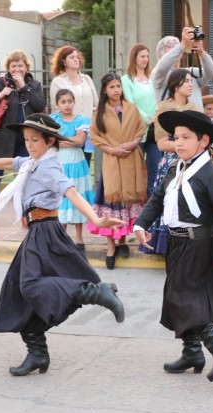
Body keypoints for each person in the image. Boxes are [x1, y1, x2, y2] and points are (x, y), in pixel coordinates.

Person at [0, 114, 126, 376]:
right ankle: (37, 353)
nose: (29, 144)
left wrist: (95, 220)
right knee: (19, 291)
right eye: (26, 139)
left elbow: (71, 192)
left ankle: (96, 292)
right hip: (37, 231)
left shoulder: (48, 167)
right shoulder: (33, 163)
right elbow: (11, 161)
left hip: (45, 231)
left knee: (30, 284)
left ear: (50, 141)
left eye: (35, 139)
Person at [134, 110, 213, 382]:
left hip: (202, 245)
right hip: (177, 243)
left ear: (203, 141)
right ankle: (192, 352)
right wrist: (140, 225)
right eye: (176, 137)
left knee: (187, 300)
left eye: (186, 138)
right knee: (175, 298)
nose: (179, 143)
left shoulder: (210, 174)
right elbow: (157, 199)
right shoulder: (176, 169)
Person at [0, 49, 45, 230]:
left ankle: (25, 214)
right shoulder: (1, 83)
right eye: (13, 66)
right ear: (8, 68)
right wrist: (0, 95)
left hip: (27, 139)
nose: (17, 69)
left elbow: (40, 105)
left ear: (26, 67)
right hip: (2, 139)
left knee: (25, 179)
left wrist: (23, 86)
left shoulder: (33, 84)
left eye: (20, 65)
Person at [89, 72, 148, 269]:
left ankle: (123, 242)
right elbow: (96, 137)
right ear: (105, 90)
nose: (116, 90)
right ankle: (111, 246)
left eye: (118, 86)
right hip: (112, 163)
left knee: (127, 201)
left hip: (131, 160)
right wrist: (113, 149)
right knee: (112, 202)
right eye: (112, 87)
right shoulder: (100, 112)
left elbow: (141, 130)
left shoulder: (131, 109)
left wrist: (132, 144)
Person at [139, 69, 197, 256]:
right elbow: (162, 143)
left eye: (191, 81)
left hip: (192, 163)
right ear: (175, 85)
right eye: (186, 81)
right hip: (173, 163)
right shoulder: (163, 108)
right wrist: (185, 146)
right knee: (169, 202)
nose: (191, 84)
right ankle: (167, 246)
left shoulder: (195, 108)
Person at [50, 89, 94, 252]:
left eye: (69, 101)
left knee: (77, 197)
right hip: (59, 162)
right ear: (57, 104)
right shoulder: (53, 119)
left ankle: (79, 238)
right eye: (63, 102)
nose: (67, 105)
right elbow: (51, 141)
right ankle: (61, 236)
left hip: (76, 162)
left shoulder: (81, 119)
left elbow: (80, 141)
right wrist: (70, 140)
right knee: (61, 198)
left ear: (74, 102)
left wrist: (61, 140)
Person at [49, 45, 99, 167]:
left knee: (84, 164)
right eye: (72, 57)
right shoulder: (58, 82)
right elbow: (56, 108)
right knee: (68, 165)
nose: (76, 59)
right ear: (63, 61)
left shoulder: (86, 79)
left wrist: (92, 123)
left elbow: (96, 104)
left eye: (77, 57)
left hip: (87, 129)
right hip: (68, 131)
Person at [121, 43, 161, 195]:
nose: (145, 59)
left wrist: (156, 117)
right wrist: (146, 118)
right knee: (135, 169)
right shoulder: (127, 80)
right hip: (137, 130)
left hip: (155, 129)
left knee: (155, 168)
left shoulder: (152, 78)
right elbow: (130, 104)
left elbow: (159, 99)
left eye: (147, 56)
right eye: (142, 56)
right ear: (134, 58)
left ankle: (152, 201)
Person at [150, 27, 213, 110]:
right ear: (161, 52)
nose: (175, 47)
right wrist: (182, 45)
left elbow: (211, 74)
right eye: (170, 46)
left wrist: (201, 52)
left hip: (196, 121)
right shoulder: (158, 74)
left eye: (177, 45)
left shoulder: (190, 72)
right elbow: (162, 67)